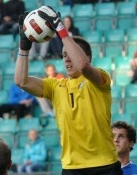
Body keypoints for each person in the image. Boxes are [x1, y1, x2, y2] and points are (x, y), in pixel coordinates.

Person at [15, 6, 122, 175]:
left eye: (70, 54)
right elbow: (21, 81)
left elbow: (84, 66)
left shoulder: (100, 79)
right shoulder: (56, 86)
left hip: (105, 165)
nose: (66, 58)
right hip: (72, 168)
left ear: (86, 56)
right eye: (64, 55)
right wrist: (24, 46)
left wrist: (60, 29)